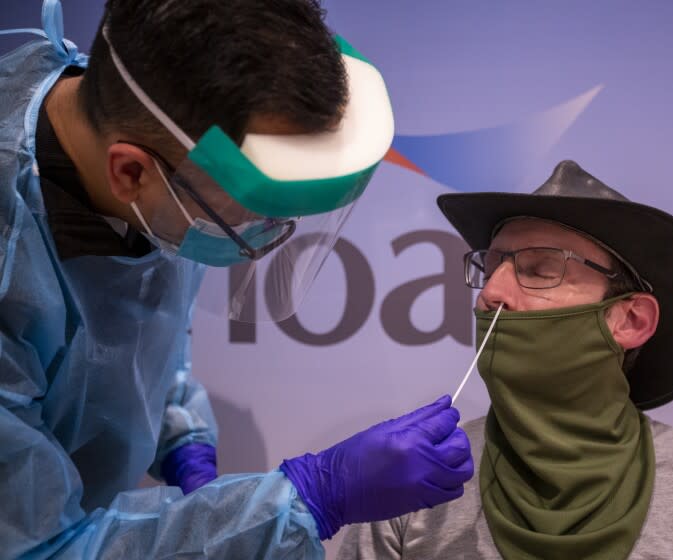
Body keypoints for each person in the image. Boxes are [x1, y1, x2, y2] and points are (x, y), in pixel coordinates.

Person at [0, 1, 473, 558]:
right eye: (254, 210)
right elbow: (37, 548)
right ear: (129, 171)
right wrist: (307, 499)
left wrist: (181, 433)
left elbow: (137, 328)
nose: (265, 229)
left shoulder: (165, 156)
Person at [337, 160, 673, 560]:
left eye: (540, 269)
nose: (492, 295)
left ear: (630, 321)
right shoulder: (411, 484)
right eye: (491, 268)